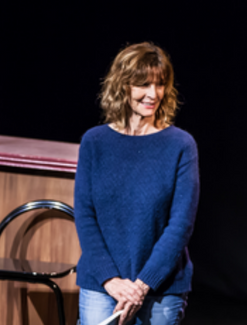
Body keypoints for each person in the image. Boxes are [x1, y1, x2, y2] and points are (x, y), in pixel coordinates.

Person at [74, 42, 199, 325]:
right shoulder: (94, 142)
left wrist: (143, 285)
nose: (153, 94)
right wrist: (110, 279)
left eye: (160, 84)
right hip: (102, 283)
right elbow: (85, 215)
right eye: (143, 84)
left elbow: (181, 225)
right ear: (123, 86)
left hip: (160, 287)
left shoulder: (180, 145)